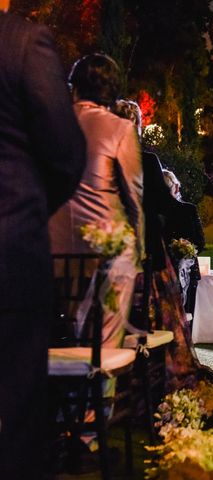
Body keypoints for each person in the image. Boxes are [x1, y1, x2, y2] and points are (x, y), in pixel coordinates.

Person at [0, 3, 87, 477]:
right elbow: (65, 154)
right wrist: (28, 210)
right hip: (9, 253)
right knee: (18, 415)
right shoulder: (22, 42)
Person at [111, 100, 213, 390]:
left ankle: (117, 377)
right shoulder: (145, 160)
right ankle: (153, 376)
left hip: (110, 249)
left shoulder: (103, 157)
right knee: (157, 314)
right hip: (145, 250)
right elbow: (161, 203)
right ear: (138, 126)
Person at [49, 53, 144, 349]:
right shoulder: (120, 128)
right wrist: (140, 250)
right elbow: (134, 198)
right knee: (123, 263)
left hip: (50, 250)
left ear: (73, 87)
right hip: (105, 250)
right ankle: (100, 377)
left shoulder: (46, 124)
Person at [162, 169, 206, 314]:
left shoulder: (153, 212)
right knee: (187, 315)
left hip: (163, 271)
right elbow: (200, 242)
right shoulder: (189, 210)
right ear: (175, 186)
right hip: (186, 271)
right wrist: (187, 250)